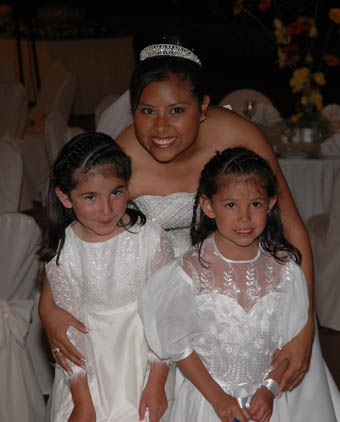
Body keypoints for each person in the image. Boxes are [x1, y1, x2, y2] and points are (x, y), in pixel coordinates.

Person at [38, 34, 340, 420]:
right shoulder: (122, 158)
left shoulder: (240, 136)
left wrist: (303, 332)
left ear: (203, 107)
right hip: (167, 307)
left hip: (245, 295)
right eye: (146, 112)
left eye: (177, 110)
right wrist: (49, 308)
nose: (160, 127)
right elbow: (79, 239)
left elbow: (295, 231)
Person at [138, 147, 315, 421]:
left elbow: (287, 340)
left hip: (265, 403)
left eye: (255, 204)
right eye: (231, 205)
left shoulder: (285, 270)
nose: (244, 217)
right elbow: (179, 345)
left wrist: (270, 388)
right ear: (209, 206)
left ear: (270, 203)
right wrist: (218, 399)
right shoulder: (189, 272)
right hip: (208, 402)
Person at [38, 132, 174, 422]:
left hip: (147, 365)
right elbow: (68, 331)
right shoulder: (63, 253)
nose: (107, 208)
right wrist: (83, 402)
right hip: (89, 375)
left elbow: (166, 314)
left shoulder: (150, 239)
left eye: (116, 191)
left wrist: (156, 383)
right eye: (90, 197)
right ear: (65, 197)